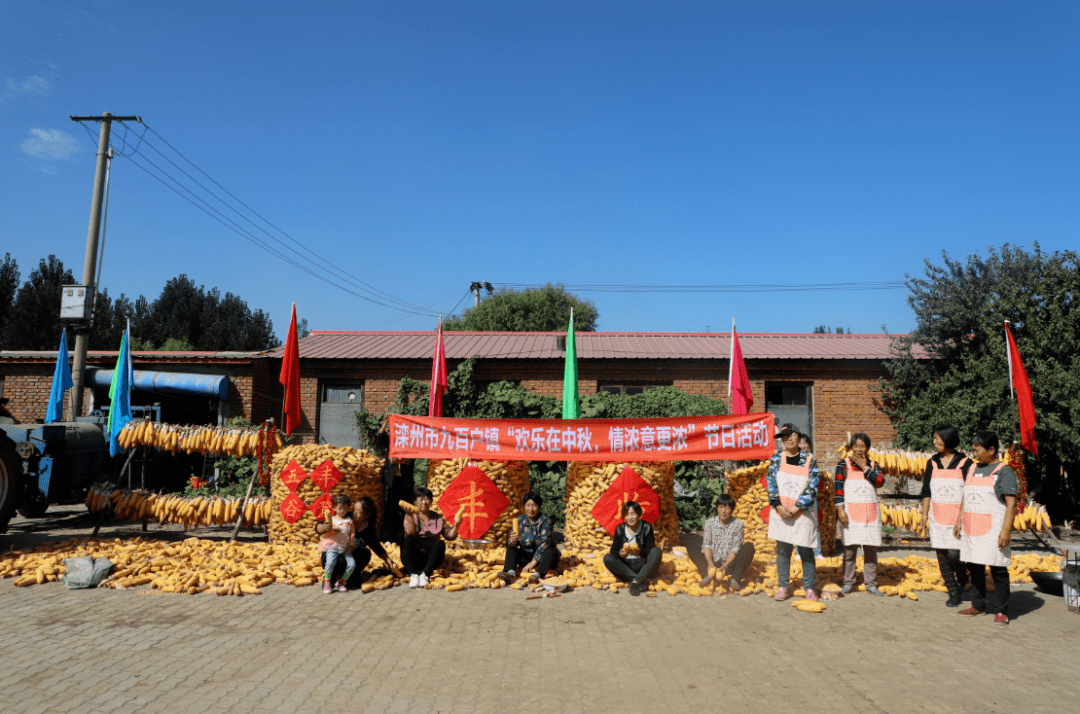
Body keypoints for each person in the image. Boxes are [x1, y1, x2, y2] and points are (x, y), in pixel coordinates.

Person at [953, 430, 1018, 626]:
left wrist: (1005, 530)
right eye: (973, 450)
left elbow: (1011, 503)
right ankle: (978, 605)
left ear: (991, 449)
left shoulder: (1004, 472)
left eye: (978, 450)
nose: (974, 454)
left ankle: (1002, 611)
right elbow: (966, 495)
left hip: (993, 530)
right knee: (975, 566)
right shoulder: (972, 468)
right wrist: (959, 520)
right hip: (973, 527)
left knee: (998, 569)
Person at [918, 425, 973, 607]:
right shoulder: (932, 462)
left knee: (954, 554)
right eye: (934, 438)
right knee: (942, 555)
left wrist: (961, 518)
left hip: (958, 518)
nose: (934, 442)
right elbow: (926, 490)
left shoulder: (965, 462)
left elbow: (970, 491)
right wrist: (924, 515)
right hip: (938, 516)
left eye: (937, 438)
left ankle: (963, 577)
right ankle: (954, 592)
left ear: (947, 439)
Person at [767, 425, 821, 601]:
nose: (788, 439)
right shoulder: (776, 459)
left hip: (803, 513)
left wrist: (798, 507)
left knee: (806, 550)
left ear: (798, 438)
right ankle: (783, 586)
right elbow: (771, 484)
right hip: (781, 512)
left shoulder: (809, 459)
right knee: (783, 551)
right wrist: (778, 506)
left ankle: (809, 587)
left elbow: (813, 486)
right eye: (784, 437)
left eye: (792, 436)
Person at [835, 433, 885, 595]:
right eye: (855, 446)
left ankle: (870, 584)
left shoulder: (874, 465)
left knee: (870, 551)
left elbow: (880, 482)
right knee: (849, 551)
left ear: (867, 448)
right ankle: (849, 582)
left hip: (870, 515)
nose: (858, 449)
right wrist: (840, 510)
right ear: (851, 447)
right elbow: (838, 490)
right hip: (850, 515)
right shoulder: (843, 465)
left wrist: (865, 468)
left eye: (862, 446)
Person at [314, 495, 403, 589]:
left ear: (367, 515)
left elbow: (376, 546)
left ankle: (350, 577)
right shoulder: (344, 516)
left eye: (359, 512)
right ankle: (331, 577)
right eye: (354, 509)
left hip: (348, 559)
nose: (354, 513)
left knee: (365, 552)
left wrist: (388, 560)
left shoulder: (368, 530)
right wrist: (324, 527)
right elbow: (318, 527)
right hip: (334, 557)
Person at [402, 487, 463, 589]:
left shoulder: (438, 517)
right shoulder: (411, 516)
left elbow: (450, 536)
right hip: (414, 557)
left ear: (431, 501)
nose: (424, 502)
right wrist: (409, 516)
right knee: (406, 540)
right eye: (420, 499)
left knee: (440, 543)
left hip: (431, 559)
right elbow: (411, 533)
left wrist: (456, 525)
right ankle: (412, 574)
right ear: (414, 501)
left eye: (427, 499)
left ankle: (425, 575)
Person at [498, 491, 558, 585]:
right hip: (526, 555)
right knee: (511, 550)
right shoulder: (519, 520)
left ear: (539, 506)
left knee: (550, 550)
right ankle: (510, 573)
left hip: (542, 558)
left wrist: (533, 562)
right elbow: (511, 543)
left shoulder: (545, 521)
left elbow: (545, 542)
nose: (531, 509)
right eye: (528, 505)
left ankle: (537, 575)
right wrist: (513, 540)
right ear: (524, 507)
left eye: (534, 505)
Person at [603, 501, 662, 596]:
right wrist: (620, 554)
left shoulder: (646, 527)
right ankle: (640, 580)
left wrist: (640, 552)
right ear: (623, 517)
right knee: (607, 558)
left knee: (656, 551)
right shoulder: (620, 529)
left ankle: (634, 582)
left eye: (633, 514)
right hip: (626, 567)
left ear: (638, 514)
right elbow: (613, 552)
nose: (630, 517)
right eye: (626, 515)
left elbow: (650, 551)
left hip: (643, 564)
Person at [698, 493, 755, 591]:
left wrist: (725, 565)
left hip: (730, 564)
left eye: (727, 508)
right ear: (717, 508)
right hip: (713, 561)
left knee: (749, 546)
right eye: (720, 507)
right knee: (691, 541)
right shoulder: (709, 523)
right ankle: (709, 575)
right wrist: (710, 562)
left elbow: (735, 549)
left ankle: (735, 578)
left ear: (732, 510)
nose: (723, 511)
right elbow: (707, 544)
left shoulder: (738, 525)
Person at [318, 494, 356, 594]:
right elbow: (327, 532)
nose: (342, 511)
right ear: (334, 507)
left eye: (345, 508)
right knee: (330, 563)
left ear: (348, 508)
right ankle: (327, 582)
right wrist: (332, 529)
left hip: (345, 547)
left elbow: (352, 532)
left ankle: (342, 582)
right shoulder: (332, 520)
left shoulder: (349, 521)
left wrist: (351, 545)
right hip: (333, 546)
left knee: (352, 565)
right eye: (340, 508)